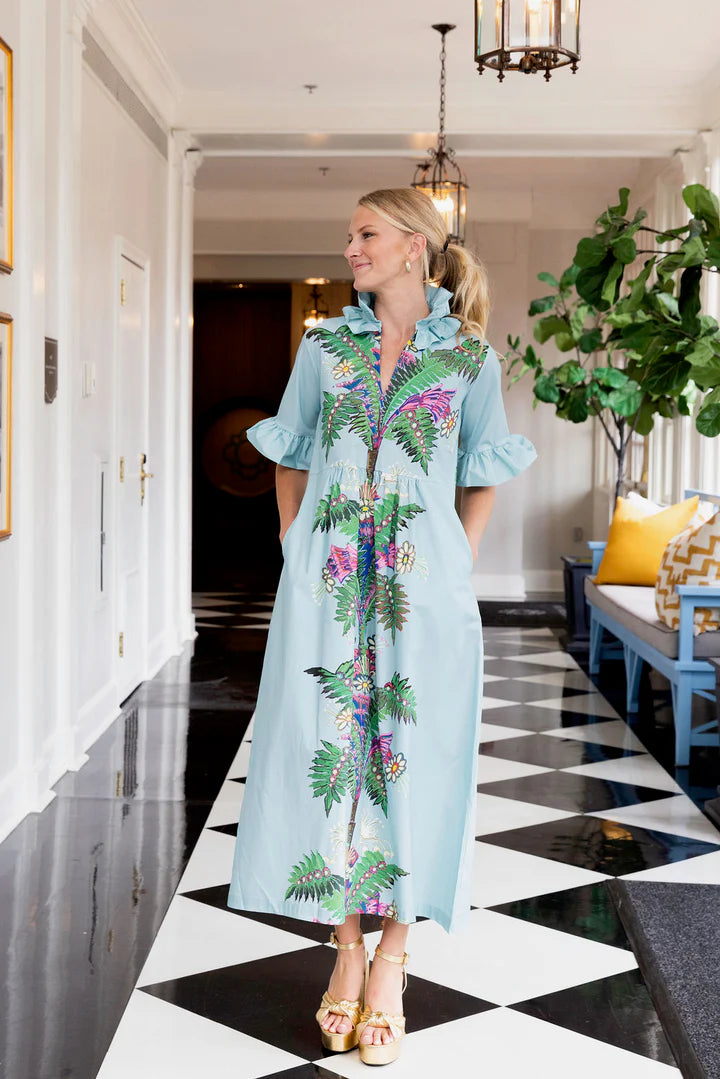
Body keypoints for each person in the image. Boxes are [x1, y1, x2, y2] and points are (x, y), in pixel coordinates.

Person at [228, 187, 536, 1065]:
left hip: (424, 587)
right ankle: (346, 946)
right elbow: (290, 451)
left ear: (413, 247)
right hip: (326, 583)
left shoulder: (468, 358)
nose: (350, 247)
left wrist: (455, 560)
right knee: (326, 749)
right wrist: (294, 542)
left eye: (365, 233)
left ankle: (393, 959)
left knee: (418, 755)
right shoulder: (323, 346)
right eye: (349, 235)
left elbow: (483, 470)